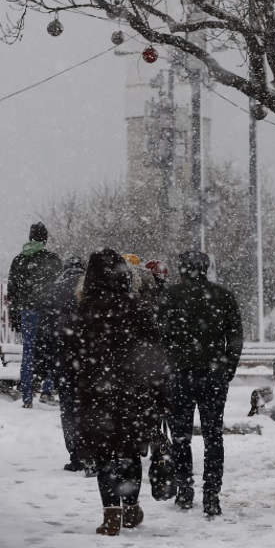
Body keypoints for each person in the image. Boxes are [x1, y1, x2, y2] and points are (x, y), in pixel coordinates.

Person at [62, 249, 170, 536]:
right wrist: (159, 391)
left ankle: (111, 513)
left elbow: (70, 356)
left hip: (96, 394)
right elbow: (155, 354)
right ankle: (131, 506)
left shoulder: (83, 312)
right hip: (133, 393)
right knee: (130, 451)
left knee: (104, 454)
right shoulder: (138, 309)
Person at [159, 249, 243, 517]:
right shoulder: (223, 296)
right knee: (213, 436)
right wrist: (227, 367)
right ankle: (212, 493)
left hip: (179, 375)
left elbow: (158, 337)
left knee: (181, 436)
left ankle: (185, 488)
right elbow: (235, 336)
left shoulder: (169, 298)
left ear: (182, 269)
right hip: (212, 374)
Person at [34, 255, 94, 474]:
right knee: (88, 406)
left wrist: (40, 368)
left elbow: (43, 333)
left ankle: (75, 453)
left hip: (63, 359)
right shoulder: (91, 291)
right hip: (89, 361)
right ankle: (90, 452)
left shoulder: (54, 292)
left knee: (68, 407)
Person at [7, 222, 61, 407]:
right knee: (52, 351)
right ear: (44, 239)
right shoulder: (53, 260)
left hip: (27, 312)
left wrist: (14, 315)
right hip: (49, 313)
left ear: (30, 237)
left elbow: (12, 291)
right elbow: (59, 289)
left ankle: (27, 397)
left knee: (28, 353)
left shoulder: (19, 260)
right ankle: (47, 391)